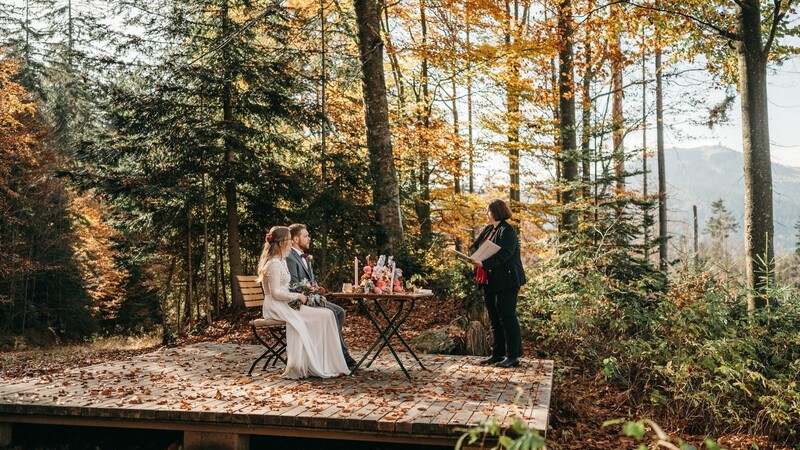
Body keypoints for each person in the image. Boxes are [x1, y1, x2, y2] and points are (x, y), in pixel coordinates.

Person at [257, 226, 349, 379]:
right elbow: (275, 293)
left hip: (285, 302)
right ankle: (313, 364)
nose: (290, 243)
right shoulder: (273, 263)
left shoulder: (281, 260)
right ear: (281, 243)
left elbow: (285, 288)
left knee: (327, 314)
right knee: (322, 316)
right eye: (288, 240)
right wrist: (297, 297)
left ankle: (327, 362)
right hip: (275, 305)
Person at [286, 223, 357, 368]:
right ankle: (341, 354)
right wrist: (310, 293)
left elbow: (310, 281)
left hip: (311, 298)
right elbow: (293, 284)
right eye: (305, 236)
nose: (309, 239)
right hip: (300, 302)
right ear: (295, 239)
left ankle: (336, 353)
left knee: (339, 312)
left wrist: (317, 290)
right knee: (335, 312)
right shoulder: (290, 257)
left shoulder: (305, 257)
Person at [469, 199, 526, 368]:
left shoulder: (507, 231)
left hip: (507, 280)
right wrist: (475, 256)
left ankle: (513, 356)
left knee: (507, 316)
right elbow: (474, 246)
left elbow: (505, 254)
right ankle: (497, 354)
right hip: (490, 280)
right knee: (494, 318)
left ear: (496, 212)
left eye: (488, 211)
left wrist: (484, 263)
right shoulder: (488, 229)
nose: (486, 214)